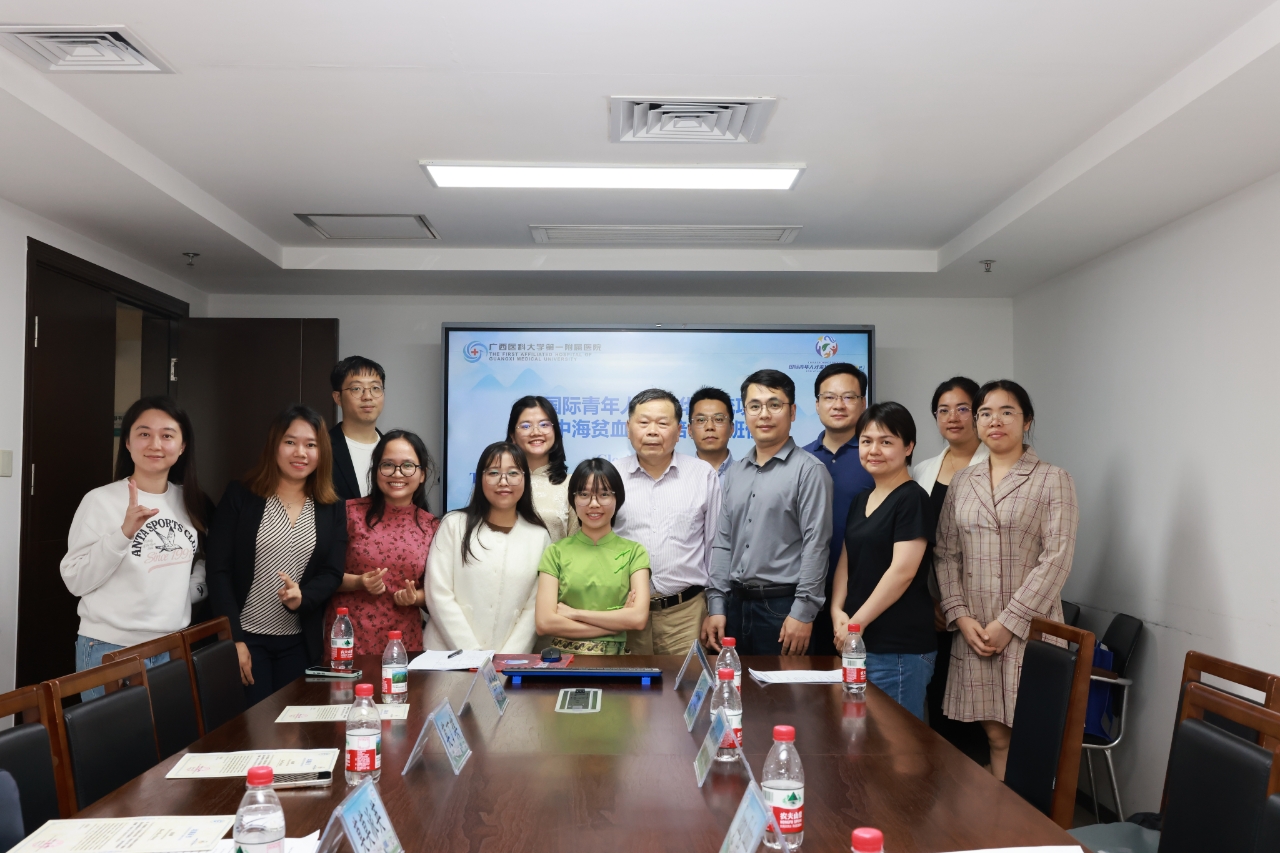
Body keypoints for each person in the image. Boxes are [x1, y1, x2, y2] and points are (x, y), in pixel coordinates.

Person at [936, 380, 1078, 780]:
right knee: (996, 736)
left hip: (1029, 627)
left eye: (1006, 412)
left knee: (1027, 733)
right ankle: (1000, 814)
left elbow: (1057, 559)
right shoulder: (963, 481)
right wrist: (960, 616)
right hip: (975, 629)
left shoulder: (1052, 478)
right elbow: (946, 554)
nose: (994, 421)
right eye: (985, 413)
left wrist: (1009, 622)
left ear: (1027, 421)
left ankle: (1025, 817)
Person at [60, 396, 208, 699]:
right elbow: (75, 580)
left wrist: (188, 595)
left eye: (167, 435)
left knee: (170, 732)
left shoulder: (190, 501)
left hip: (171, 646)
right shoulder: (101, 501)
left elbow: (194, 567)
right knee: (111, 733)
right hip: (111, 649)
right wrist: (123, 534)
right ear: (127, 443)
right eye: (144, 434)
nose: (155, 444)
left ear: (182, 446)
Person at [207, 405, 346, 706]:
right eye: (290, 442)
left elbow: (332, 572)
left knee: (294, 726)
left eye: (311, 445)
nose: (300, 453)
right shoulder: (241, 495)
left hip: (299, 641)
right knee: (257, 726)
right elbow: (218, 570)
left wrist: (303, 596)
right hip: (247, 638)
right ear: (274, 445)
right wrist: (233, 639)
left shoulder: (331, 506)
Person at [704, 370, 833, 656]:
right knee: (735, 684)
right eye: (754, 406)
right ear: (745, 413)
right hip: (735, 607)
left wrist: (803, 612)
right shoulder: (736, 472)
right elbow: (723, 542)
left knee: (785, 687)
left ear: (792, 412)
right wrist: (717, 606)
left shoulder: (810, 471)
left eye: (774, 404)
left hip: (783, 609)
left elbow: (816, 546)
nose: (764, 414)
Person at [829, 403, 936, 720]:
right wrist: (837, 610)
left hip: (899, 648)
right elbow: (847, 560)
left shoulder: (912, 498)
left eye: (886, 441)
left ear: (909, 447)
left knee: (899, 743)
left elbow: (902, 572)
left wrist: (855, 624)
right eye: (866, 441)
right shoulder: (861, 499)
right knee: (863, 737)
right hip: (860, 641)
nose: (874, 450)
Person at [911, 377, 990, 762]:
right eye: (943, 410)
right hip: (934, 610)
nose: (953, 417)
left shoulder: (997, 466)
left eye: (962, 408)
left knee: (980, 719)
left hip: (983, 611)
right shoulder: (922, 470)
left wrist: (961, 607)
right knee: (940, 706)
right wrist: (931, 602)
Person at [613, 389, 721, 655]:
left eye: (662, 423)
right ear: (628, 428)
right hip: (624, 613)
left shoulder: (702, 475)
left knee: (688, 682)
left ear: (679, 430)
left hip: (686, 615)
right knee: (629, 682)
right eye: (643, 422)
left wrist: (716, 608)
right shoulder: (611, 476)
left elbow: (716, 547)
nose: (652, 431)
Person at [424, 442, 550, 652]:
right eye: (493, 473)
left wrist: (508, 658)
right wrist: (472, 655)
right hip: (447, 656)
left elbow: (534, 606)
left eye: (513, 473)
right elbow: (439, 593)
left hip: (508, 661)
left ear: (525, 479)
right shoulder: (453, 524)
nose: (503, 481)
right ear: (480, 478)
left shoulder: (539, 536)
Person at [325, 430, 439, 656]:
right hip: (348, 640)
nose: (397, 473)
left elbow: (440, 592)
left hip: (404, 644)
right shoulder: (348, 513)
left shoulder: (432, 526)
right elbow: (321, 576)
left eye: (408, 466)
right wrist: (358, 582)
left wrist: (415, 598)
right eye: (388, 465)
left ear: (422, 474)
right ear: (376, 470)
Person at [535, 458, 651, 655]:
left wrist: (574, 613)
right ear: (573, 499)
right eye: (584, 494)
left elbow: (638, 619)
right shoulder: (555, 552)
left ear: (617, 498)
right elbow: (545, 623)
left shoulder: (634, 552)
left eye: (604, 494)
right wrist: (616, 624)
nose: (594, 504)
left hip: (616, 662)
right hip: (564, 662)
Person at [803, 362, 874, 655]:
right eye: (829, 397)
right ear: (817, 404)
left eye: (848, 397)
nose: (838, 405)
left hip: (862, 594)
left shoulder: (876, 457)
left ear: (863, 403)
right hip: (805, 594)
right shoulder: (801, 459)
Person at [507, 395, 579, 542]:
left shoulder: (572, 485)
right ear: (513, 436)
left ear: (555, 432)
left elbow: (577, 546)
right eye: (526, 426)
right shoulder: (496, 481)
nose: (536, 432)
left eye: (544, 425)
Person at [328, 356, 386, 502]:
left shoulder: (393, 449)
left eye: (375, 388)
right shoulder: (322, 448)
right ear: (338, 397)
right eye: (357, 389)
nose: (367, 396)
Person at [688, 386, 735, 482]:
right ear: (690, 430)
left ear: (731, 428)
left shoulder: (747, 476)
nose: (710, 427)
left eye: (719, 419)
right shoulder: (678, 478)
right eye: (701, 420)